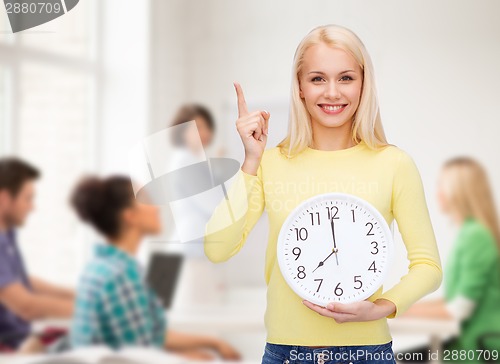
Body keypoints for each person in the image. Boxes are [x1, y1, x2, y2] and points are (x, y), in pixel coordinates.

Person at [204, 24, 442, 364]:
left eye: (345, 78)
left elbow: (428, 266)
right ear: (300, 87)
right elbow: (216, 248)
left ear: (363, 84)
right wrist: (251, 160)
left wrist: (378, 309)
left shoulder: (394, 164)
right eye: (317, 79)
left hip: (367, 353)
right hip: (286, 354)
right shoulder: (271, 163)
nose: (332, 92)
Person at [69, 175, 241, 361]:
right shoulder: (121, 275)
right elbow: (139, 354)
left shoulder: (104, 266)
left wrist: (211, 343)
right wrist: (188, 358)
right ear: (130, 216)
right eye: (147, 200)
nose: (157, 208)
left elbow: (149, 336)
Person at [399, 157, 500, 363]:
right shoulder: (470, 233)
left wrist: (396, 310)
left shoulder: (476, 236)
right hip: (467, 343)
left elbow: (458, 309)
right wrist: (399, 307)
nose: (437, 193)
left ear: (459, 192)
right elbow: (454, 299)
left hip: (479, 348)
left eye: (441, 186)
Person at [0, 157, 74, 352]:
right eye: (28, 198)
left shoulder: (7, 235)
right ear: (5, 198)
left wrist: (78, 294)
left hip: (21, 340)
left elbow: (20, 282)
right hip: (9, 348)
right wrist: (92, 309)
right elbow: (26, 307)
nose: (32, 207)